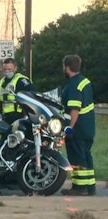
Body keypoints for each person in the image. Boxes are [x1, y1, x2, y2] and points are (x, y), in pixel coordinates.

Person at [60, 55, 96, 196]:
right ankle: (90, 186)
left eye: (64, 67)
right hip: (88, 126)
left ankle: (79, 187)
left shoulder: (74, 84)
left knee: (77, 157)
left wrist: (69, 128)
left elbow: (75, 109)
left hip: (78, 127)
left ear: (67, 68)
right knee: (86, 155)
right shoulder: (84, 81)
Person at [0, 58, 35, 124]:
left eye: (9, 69)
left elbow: (31, 96)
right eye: (5, 69)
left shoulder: (21, 80)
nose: (7, 72)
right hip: (5, 116)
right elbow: (1, 100)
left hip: (19, 115)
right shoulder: (2, 81)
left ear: (15, 68)